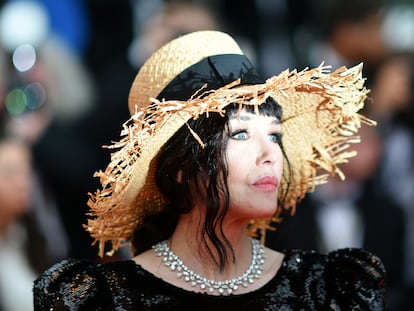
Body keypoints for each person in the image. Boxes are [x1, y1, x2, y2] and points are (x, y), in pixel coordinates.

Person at [33, 31, 385, 310]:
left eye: (274, 135)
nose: (270, 154)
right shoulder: (106, 298)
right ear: (181, 167)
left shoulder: (325, 288)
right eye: (242, 133)